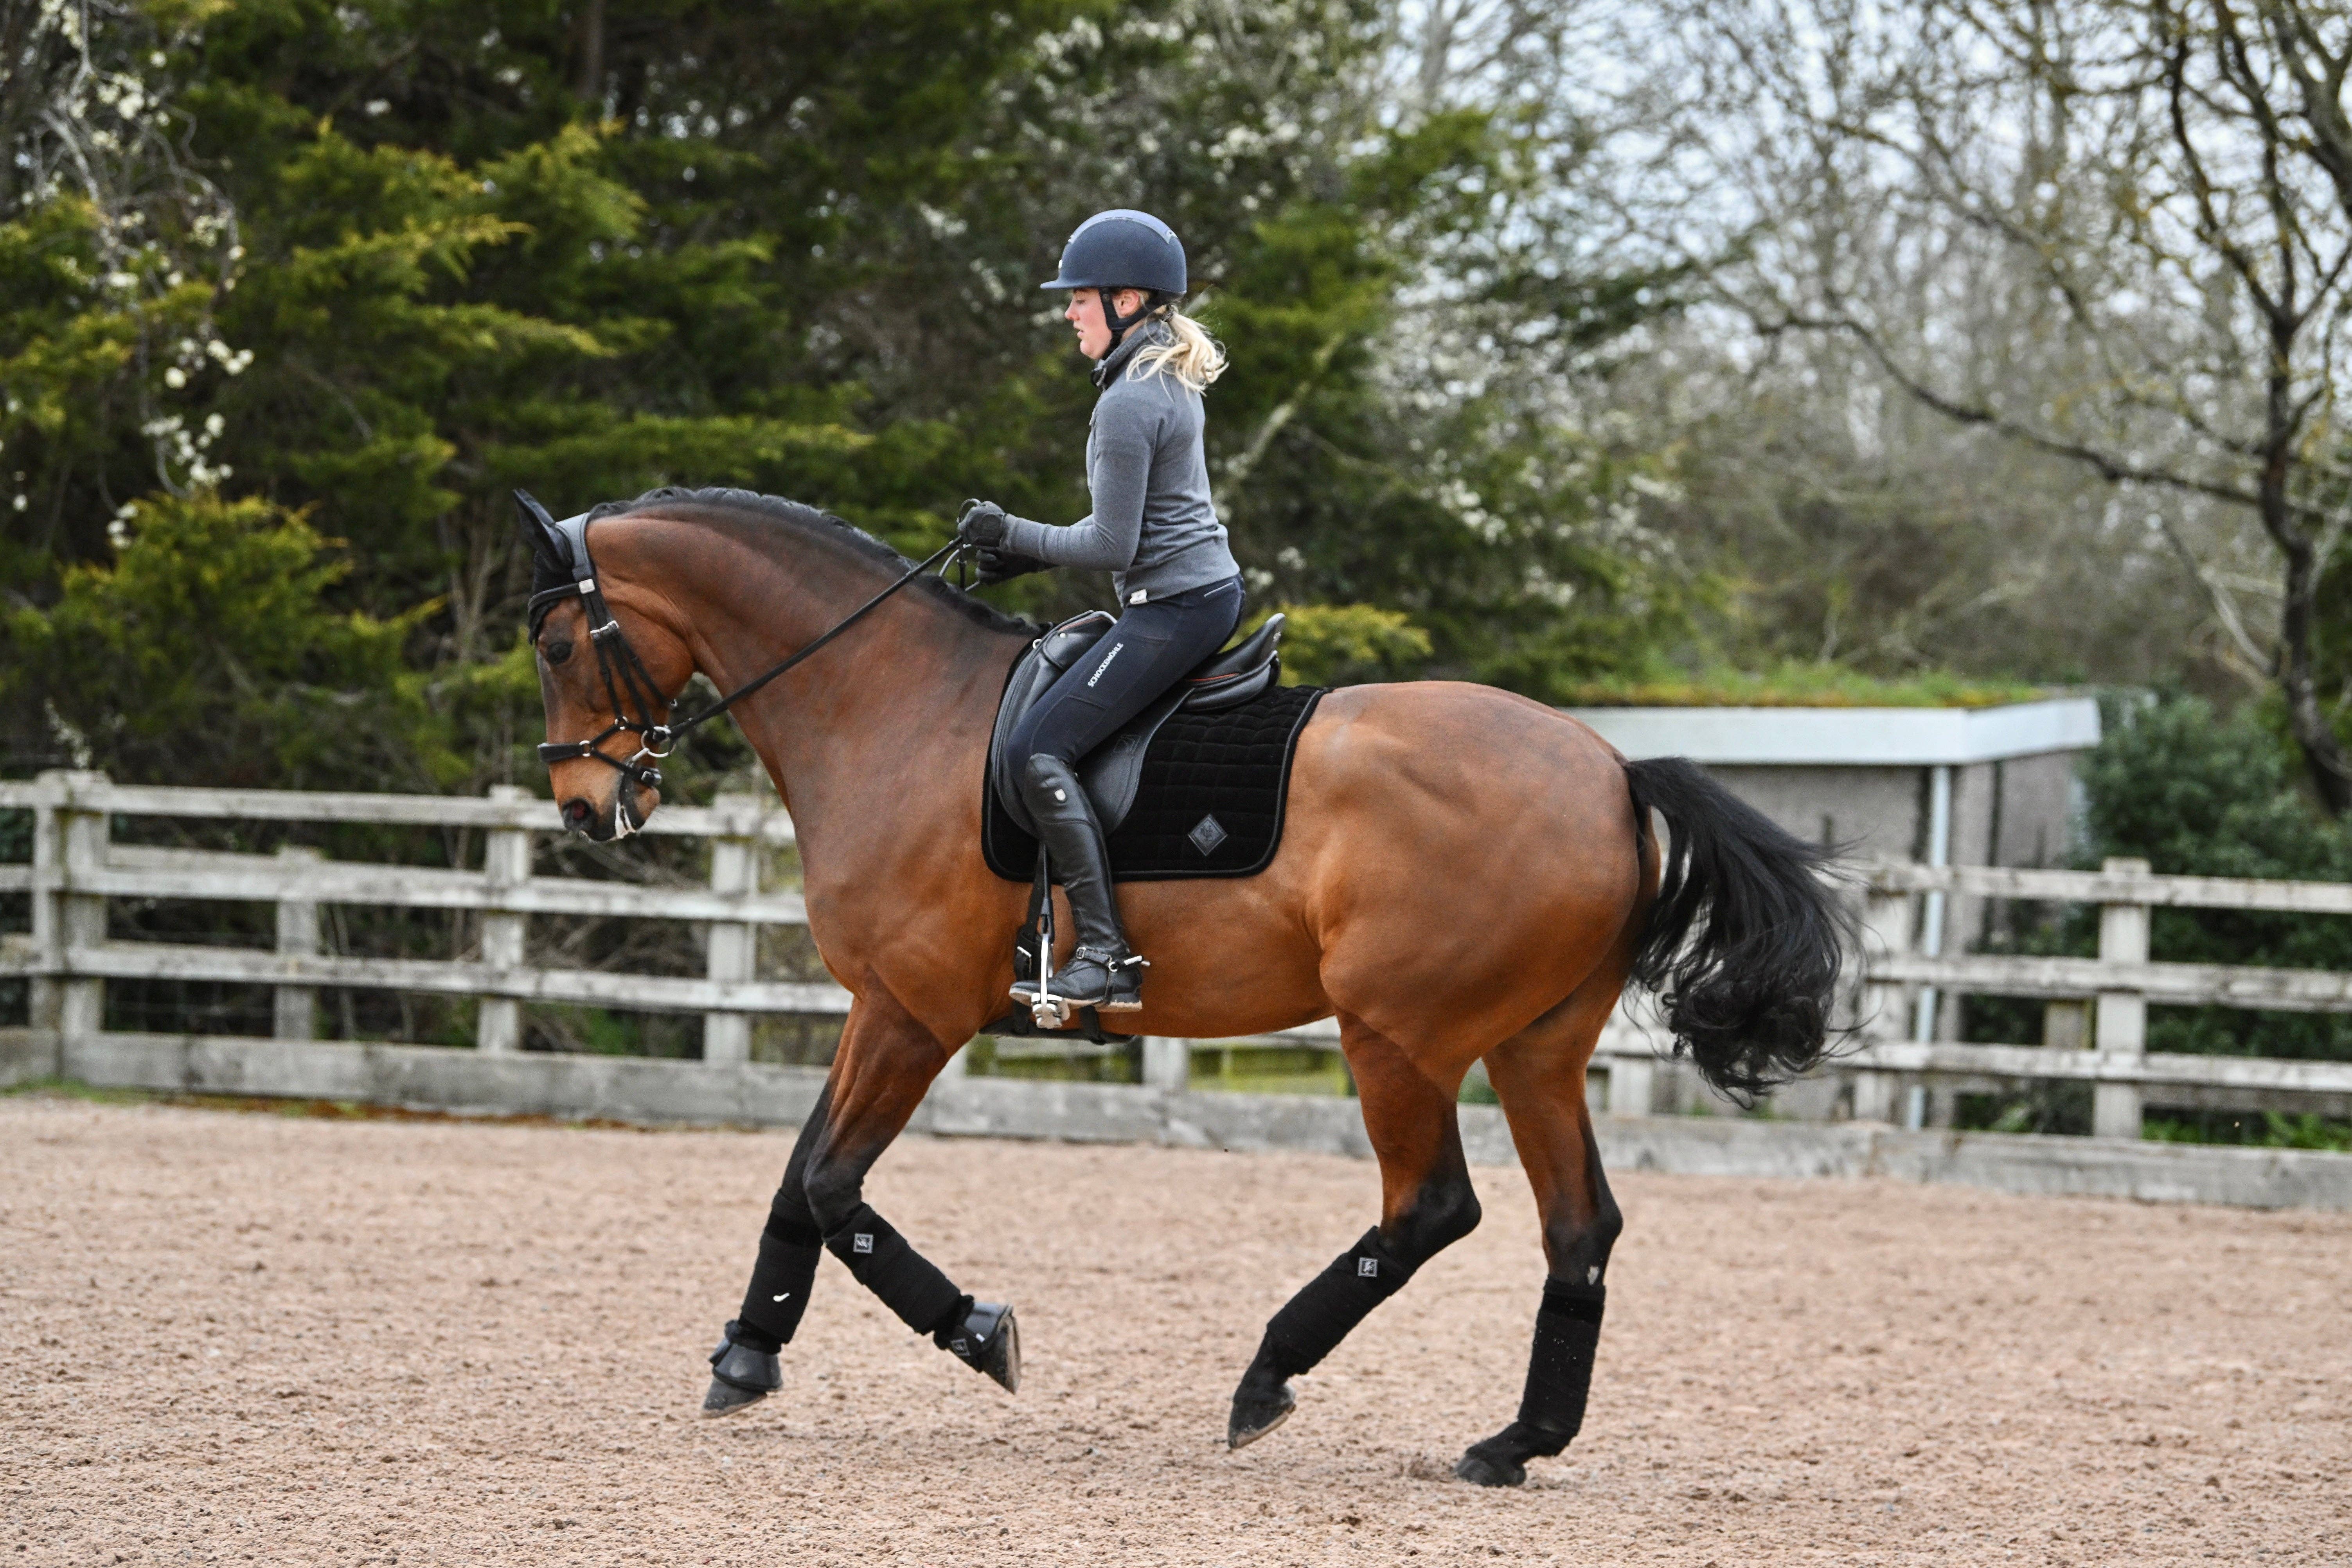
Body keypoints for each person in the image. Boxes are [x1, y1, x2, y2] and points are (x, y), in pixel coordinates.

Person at [957, 209, 1245, 1014]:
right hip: (1190, 592)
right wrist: (1026, 552)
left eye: (1080, 298)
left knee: (1039, 750)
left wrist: (1009, 530)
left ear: (1125, 299)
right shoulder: (1155, 375)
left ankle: (1107, 954)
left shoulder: (1130, 397)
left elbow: (1113, 543)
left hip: (1176, 604)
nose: (1069, 313)